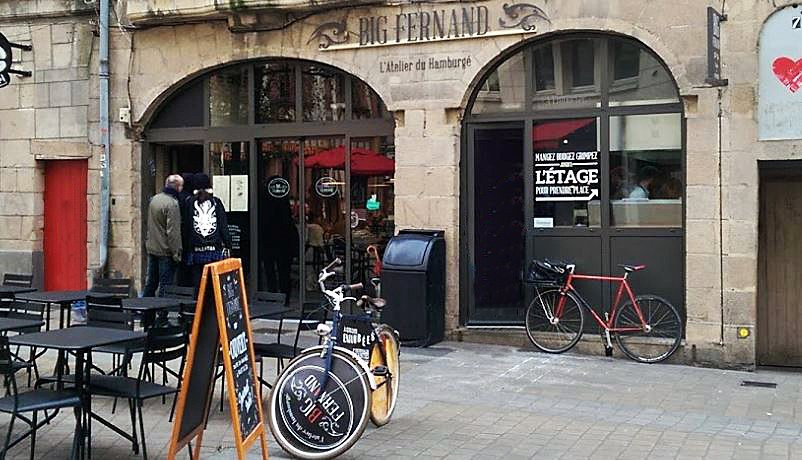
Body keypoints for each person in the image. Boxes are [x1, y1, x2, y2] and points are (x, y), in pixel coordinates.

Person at [183, 173, 232, 292]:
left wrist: (186, 247)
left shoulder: (189, 202)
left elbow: (186, 227)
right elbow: (223, 225)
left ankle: (199, 303)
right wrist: (228, 244)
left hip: (196, 251)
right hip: (214, 250)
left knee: (199, 285)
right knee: (215, 285)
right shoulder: (216, 202)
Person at [260, 176, 299, 305]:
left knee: (270, 271)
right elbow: (289, 223)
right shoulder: (283, 203)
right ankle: (284, 298)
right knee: (283, 272)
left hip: (269, 241)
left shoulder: (264, 203)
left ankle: (273, 296)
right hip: (282, 243)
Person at [143, 174, 184, 297]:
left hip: (152, 247)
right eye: (181, 186)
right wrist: (176, 253)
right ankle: (162, 308)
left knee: (151, 282)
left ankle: (145, 307)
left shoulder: (154, 199)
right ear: (178, 187)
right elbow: (173, 232)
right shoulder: (172, 204)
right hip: (165, 251)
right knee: (166, 285)